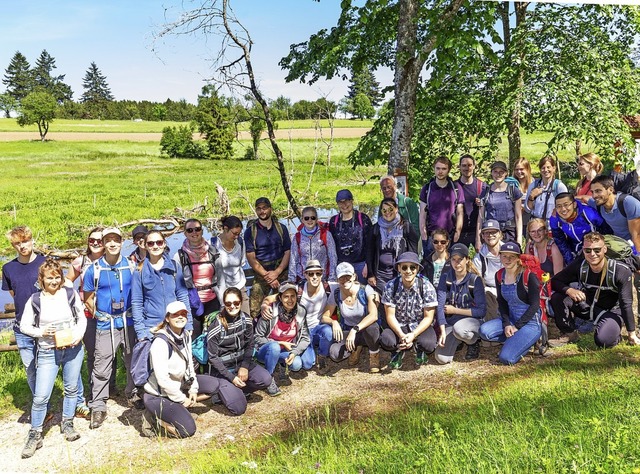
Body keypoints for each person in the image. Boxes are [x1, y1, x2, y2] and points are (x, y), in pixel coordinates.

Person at [19, 259, 86, 458]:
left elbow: (81, 318)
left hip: (73, 349)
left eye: (58, 277)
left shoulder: (70, 294)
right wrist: (41, 331)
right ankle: (35, 433)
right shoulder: (35, 300)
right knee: (41, 396)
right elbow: (24, 326)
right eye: (50, 278)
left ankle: (67, 423)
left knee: (71, 388)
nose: (54, 281)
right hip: (48, 352)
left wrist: (78, 336)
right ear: (42, 279)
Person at [83, 227, 137, 429]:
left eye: (116, 240)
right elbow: (88, 297)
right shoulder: (93, 269)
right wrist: (98, 314)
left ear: (122, 242)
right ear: (103, 243)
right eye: (108, 240)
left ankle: (133, 393)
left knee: (132, 359)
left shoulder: (132, 267)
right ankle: (98, 405)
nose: (112, 244)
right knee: (102, 363)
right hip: (106, 323)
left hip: (129, 322)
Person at [142, 301, 219, 438]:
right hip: (158, 394)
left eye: (183, 314)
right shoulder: (160, 342)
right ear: (167, 318)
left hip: (179, 384)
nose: (180, 317)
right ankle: (155, 419)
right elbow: (162, 379)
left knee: (213, 385)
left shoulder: (186, 335)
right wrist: (182, 399)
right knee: (187, 430)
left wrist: (193, 388)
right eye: (175, 315)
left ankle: (178, 410)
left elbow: (189, 364)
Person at [550, 232, 640, 347]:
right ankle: (570, 333)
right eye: (588, 250)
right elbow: (555, 281)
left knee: (603, 341)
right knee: (558, 297)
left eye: (597, 250)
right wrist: (569, 290)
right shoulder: (580, 264)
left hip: (612, 311)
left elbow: (626, 303)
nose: (592, 254)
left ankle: (612, 331)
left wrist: (631, 334)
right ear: (583, 250)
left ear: (604, 249)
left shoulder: (620, 270)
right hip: (588, 306)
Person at [207, 287, 271, 415]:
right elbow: (212, 357)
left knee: (266, 379)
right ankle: (222, 391)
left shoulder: (246, 320)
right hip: (224, 370)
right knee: (238, 409)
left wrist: (245, 367)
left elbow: (250, 344)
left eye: (236, 303)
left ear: (241, 303)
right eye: (228, 303)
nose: (232, 306)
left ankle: (240, 388)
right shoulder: (216, 326)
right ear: (224, 304)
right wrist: (231, 377)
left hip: (241, 364)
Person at [261, 260, 336, 368]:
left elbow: (347, 284)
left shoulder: (328, 288)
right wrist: (264, 305)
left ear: (322, 274)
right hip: (301, 332)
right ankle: (288, 358)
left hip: (317, 328)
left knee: (328, 332)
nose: (315, 277)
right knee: (307, 364)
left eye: (318, 273)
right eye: (311, 273)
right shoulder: (298, 290)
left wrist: (334, 322)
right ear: (305, 275)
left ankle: (322, 356)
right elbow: (271, 298)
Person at [1, 226, 46, 405]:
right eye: (17, 243)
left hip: (46, 324)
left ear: (32, 240)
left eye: (25, 241)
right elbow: (14, 293)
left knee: (50, 365)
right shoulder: (8, 268)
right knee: (30, 368)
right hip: (22, 327)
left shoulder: (45, 262)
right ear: (13, 246)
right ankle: (41, 405)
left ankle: (71, 400)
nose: (22, 246)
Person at [64, 227, 105, 419]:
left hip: (107, 311)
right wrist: (73, 301)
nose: (96, 243)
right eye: (92, 240)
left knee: (107, 351)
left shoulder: (111, 259)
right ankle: (93, 387)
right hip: (86, 314)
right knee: (92, 351)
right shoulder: (80, 261)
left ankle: (108, 385)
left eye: (99, 240)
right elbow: (67, 282)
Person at [479, 242, 542, 365]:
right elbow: (501, 303)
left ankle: (526, 340)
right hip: (512, 319)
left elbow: (535, 305)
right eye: (504, 256)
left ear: (518, 258)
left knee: (507, 359)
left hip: (530, 323)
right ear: (500, 256)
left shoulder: (528, 276)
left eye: (512, 256)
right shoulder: (499, 275)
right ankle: (515, 340)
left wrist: (517, 326)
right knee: (484, 332)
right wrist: (507, 324)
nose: (507, 260)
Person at [318, 262, 381, 374]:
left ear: (354, 276)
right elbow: (324, 317)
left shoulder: (366, 290)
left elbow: (374, 315)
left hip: (366, 330)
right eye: (341, 277)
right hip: (349, 332)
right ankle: (356, 347)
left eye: (348, 276)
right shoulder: (336, 293)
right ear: (337, 280)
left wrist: (355, 329)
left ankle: (374, 354)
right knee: (335, 353)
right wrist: (334, 322)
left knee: (372, 328)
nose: (345, 280)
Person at [380, 252, 438, 368]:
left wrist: (413, 334)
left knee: (429, 344)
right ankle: (397, 350)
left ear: (417, 269)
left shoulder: (426, 286)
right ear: (399, 269)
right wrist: (401, 335)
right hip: (398, 325)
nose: (408, 271)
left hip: (419, 324)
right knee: (386, 340)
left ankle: (418, 347)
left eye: (412, 267)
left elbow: (428, 317)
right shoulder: (391, 286)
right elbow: (390, 316)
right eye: (404, 267)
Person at [132, 230, 192, 341]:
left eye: (159, 242)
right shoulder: (139, 271)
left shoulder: (174, 266)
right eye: (151, 243)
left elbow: (182, 295)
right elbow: (137, 302)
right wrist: (141, 331)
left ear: (164, 244)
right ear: (145, 246)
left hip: (175, 324)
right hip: (152, 328)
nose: (155, 246)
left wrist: (188, 324)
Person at [254, 282, 313, 396]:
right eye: (286, 296)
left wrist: (294, 353)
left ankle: (281, 364)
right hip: (265, 350)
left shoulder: (300, 312)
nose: (290, 300)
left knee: (296, 365)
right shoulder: (269, 312)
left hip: (286, 350)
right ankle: (269, 377)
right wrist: (280, 342)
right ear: (280, 298)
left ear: (297, 297)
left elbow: (305, 338)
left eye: (293, 296)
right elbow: (257, 337)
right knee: (275, 347)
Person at [434, 244, 487, 364]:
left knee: (460, 330)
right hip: (451, 324)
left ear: (467, 259)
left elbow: (481, 311)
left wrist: (455, 311)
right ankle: (457, 340)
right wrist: (442, 331)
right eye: (454, 259)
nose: (457, 263)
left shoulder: (475, 280)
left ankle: (473, 342)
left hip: (471, 321)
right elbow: (440, 306)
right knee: (442, 359)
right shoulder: (445, 278)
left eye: (460, 259)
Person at [245, 197, 292, 320]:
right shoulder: (251, 231)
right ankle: (256, 326)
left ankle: (287, 323)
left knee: (289, 296)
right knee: (255, 296)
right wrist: (268, 277)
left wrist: (277, 272)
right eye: (259, 209)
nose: (262, 211)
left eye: (265, 208)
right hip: (262, 272)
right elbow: (251, 258)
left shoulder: (281, 228)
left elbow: (287, 252)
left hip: (281, 270)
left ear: (270, 209)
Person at [174, 218, 221, 340]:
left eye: (197, 229)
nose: (194, 233)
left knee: (214, 336)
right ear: (185, 233)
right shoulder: (179, 256)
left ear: (202, 230)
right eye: (190, 230)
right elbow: (178, 283)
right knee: (195, 337)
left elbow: (221, 278)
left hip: (212, 299)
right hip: (192, 302)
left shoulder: (212, 251)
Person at [367, 197, 419, 294]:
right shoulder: (376, 228)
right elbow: (370, 252)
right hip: (380, 274)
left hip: (401, 274)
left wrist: (411, 272)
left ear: (396, 209)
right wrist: (370, 274)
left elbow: (413, 252)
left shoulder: (406, 227)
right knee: (382, 304)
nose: (388, 212)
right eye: (384, 210)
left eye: (391, 209)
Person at [550, 192, 611, 264]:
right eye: (559, 206)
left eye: (566, 205)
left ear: (574, 204)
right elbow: (560, 241)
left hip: (594, 247)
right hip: (575, 249)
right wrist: (571, 262)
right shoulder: (555, 219)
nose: (563, 209)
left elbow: (607, 231)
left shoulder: (588, 213)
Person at [419, 156, 464, 252]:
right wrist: (423, 233)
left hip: (450, 235)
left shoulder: (456, 188)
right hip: (432, 235)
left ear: (448, 170)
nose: (440, 171)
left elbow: (460, 212)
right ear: (434, 169)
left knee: (450, 264)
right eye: (438, 168)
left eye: (444, 169)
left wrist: (458, 232)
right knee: (430, 264)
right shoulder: (427, 188)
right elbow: (422, 214)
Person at [329, 189, 373, 284]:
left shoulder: (363, 219)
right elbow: (331, 246)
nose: (344, 205)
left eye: (347, 201)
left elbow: (371, 244)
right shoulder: (333, 221)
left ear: (352, 201)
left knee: (361, 293)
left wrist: (368, 265)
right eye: (340, 202)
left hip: (361, 264)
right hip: (341, 265)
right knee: (345, 294)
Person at [476, 160, 523, 248]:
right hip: (491, 233)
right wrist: (478, 239)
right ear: (492, 173)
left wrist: (519, 238)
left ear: (506, 173)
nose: (498, 174)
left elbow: (518, 216)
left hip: (509, 233)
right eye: (495, 172)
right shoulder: (486, 192)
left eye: (501, 172)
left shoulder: (513, 191)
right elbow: (480, 217)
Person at [589, 175, 640, 252]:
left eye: (598, 191)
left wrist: (637, 259)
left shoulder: (628, 203)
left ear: (610, 190)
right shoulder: (597, 203)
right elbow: (584, 198)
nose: (594, 195)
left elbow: (636, 236)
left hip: (634, 246)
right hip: (620, 246)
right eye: (592, 192)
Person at [212, 216, 250, 315]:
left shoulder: (241, 243)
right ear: (225, 229)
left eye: (239, 233)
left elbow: (242, 263)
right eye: (234, 233)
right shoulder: (213, 244)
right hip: (222, 291)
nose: (236, 236)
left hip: (240, 287)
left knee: (246, 319)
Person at [289, 206, 337, 283]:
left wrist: (332, 279)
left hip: (322, 278)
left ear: (316, 219)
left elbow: (333, 257)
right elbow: (293, 259)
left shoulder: (326, 234)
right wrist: (291, 280)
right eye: (306, 218)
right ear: (302, 220)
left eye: (313, 217)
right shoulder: (297, 237)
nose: (310, 220)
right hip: (303, 278)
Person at [472, 220, 504, 321]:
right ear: (482, 236)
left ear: (500, 234)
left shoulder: (508, 252)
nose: (490, 235)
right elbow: (477, 281)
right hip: (490, 291)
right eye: (487, 233)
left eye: (493, 232)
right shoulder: (479, 257)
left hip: (508, 289)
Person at [524, 156, 568, 223]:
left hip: (552, 225)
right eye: (543, 168)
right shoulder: (534, 185)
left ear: (554, 168)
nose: (545, 170)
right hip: (536, 224)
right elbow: (528, 209)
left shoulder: (559, 186)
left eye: (548, 167)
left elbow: (566, 207)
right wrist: (531, 197)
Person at [456, 154, 487, 247]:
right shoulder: (454, 187)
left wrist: (482, 204)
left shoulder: (482, 186)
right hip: (459, 231)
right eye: (464, 165)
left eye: (469, 165)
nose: (467, 168)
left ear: (474, 166)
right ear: (459, 167)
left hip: (477, 230)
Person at [512, 157, 533, 233]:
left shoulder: (534, 184)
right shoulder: (511, 184)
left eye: (521, 169)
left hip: (530, 221)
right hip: (514, 222)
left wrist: (524, 208)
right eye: (516, 170)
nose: (519, 172)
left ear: (527, 169)